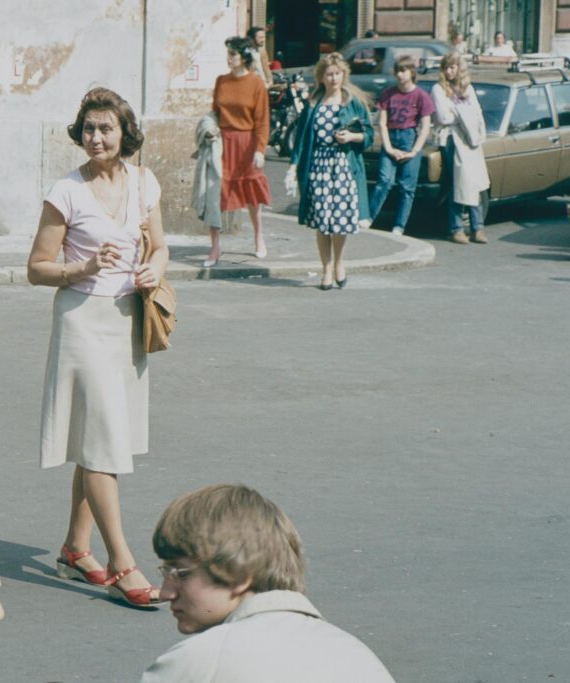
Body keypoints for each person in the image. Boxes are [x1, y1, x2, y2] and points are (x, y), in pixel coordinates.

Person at [27, 87, 168, 609]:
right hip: (82, 322)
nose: (96, 137)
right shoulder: (65, 191)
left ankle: (74, 547)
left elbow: (160, 243)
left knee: (99, 439)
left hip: (127, 319)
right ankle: (123, 562)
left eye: (106, 128)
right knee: (104, 442)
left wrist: (157, 267)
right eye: (88, 128)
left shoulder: (143, 182)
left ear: (124, 132)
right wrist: (82, 267)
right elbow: (36, 268)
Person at [140, 484, 397, 682]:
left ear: (238, 574)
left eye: (181, 573)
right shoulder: (354, 653)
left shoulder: (200, 660)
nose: (166, 592)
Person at [286, 52, 373, 290]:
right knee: (322, 220)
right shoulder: (313, 104)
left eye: (337, 74)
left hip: (343, 166)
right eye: (329, 74)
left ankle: (339, 264)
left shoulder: (352, 101)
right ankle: (325, 268)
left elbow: (369, 135)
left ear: (344, 75)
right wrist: (293, 168)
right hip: (319, 166)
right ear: (321, 77)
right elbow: (303, 138)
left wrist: (352, 136)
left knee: (341, 220)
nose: (334, 79)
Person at [206, 36, 272, 267]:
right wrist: (210, 128)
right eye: (228, 54)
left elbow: (263, 120)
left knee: (252, 194)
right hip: (223, 143)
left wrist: (260, 150)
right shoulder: (221, 81)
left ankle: (258, 236)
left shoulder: (256, 84)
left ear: (244, 57)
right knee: (216, 195)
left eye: (233, 54)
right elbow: (215, 111)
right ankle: (215, 247)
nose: (229, 58)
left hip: (247, 144)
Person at [368, 56, 435, 235]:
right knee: (384, 180)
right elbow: (381, 123)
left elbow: (425, 126)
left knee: (407, 187)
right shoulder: (388, 93)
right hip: (391, 137)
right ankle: (368, 217)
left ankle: (399, 225)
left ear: (411, 72)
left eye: (403, 70)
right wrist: (388, 148)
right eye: (397, 70)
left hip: (409, 138)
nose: (399, 74)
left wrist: (414, 151)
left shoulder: (421, 95)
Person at [431, 53, 491, 244]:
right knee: (458, 182)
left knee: (474, 182)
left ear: (459, 68)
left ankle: (477, 227)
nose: (449, 71)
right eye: (446, 68)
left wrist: (458, 112)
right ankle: (456, 228)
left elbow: (477, 112)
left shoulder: (467, 88)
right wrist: (465, 115)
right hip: (450, 138)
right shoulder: (438, 89)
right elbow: (443, 117)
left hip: (470, 138)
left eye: (453, 67)